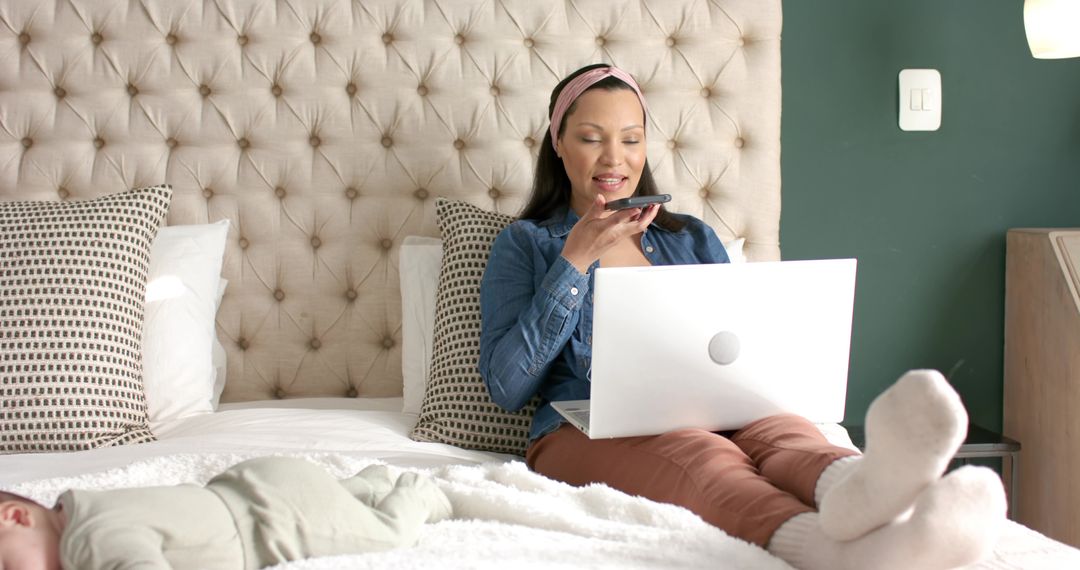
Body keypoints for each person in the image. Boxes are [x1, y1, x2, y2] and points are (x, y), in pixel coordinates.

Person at [477, 63, 1006, 570]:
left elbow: (735, 348)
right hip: (578, 431)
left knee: (787, 433)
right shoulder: (526, 245)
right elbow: (507, 387)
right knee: (704, 454)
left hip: (716, 412)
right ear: (559, 143)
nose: (614, 158)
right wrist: (575, 262)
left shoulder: (691, 239)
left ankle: (866, 488)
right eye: (592, 138)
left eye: (632, 138)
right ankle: (835, 552)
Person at [0, 456, 451, 570]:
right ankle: (368, 485)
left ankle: (414, 488)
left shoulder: (90, 536)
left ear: (18, 518)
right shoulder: (88, 515)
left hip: (273, 518)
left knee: (389, 534)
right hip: (257, 485)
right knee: (335, 503)